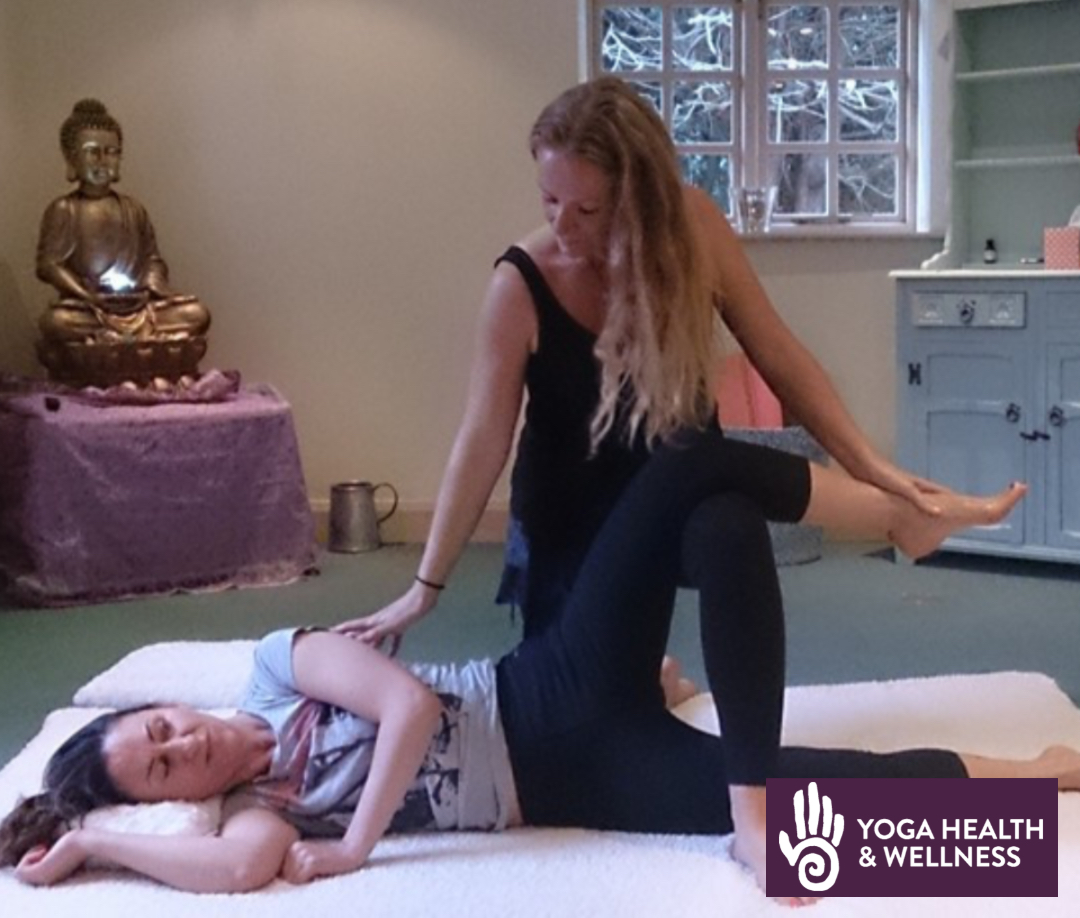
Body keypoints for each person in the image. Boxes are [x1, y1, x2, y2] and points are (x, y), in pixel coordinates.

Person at [0, 428, 1035, 905]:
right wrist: (92, 838)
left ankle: (901, 514)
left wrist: (355, 844)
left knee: (699, 481)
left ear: (168, 705)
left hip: (548, 686)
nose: (182, 747)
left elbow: (407, 707)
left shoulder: (278, 671)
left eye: (161, 730)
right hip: (573, 780)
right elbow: (236, 872)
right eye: (165, 771)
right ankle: (1034, 780)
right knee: (822, 811)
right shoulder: (256, 816)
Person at [339, 77, 963, 674]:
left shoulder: (693, 230)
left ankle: (749, 756)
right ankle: (882, 522)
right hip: (573, 520)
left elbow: (778, 353)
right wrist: (425, 587)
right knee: (578, 714)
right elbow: (481, 441)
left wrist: (872, 464)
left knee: (728, 521)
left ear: (638, 202)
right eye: (549, 200)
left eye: (587, 208)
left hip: (681, 497)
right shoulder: (520, 284)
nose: (561, 225)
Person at [36, 98, 211, 385]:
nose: (103, 161)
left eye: (112, 153)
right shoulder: (65, 209)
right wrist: (86, 294)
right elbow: (49, 265)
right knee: (57, 323)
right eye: (92, 152)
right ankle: (135, 357)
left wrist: (152, 287)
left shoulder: (133, 209)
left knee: (196, 314)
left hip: (139, 308)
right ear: (72, 159)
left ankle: (120, 352)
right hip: (90, 309)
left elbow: (152, 260)